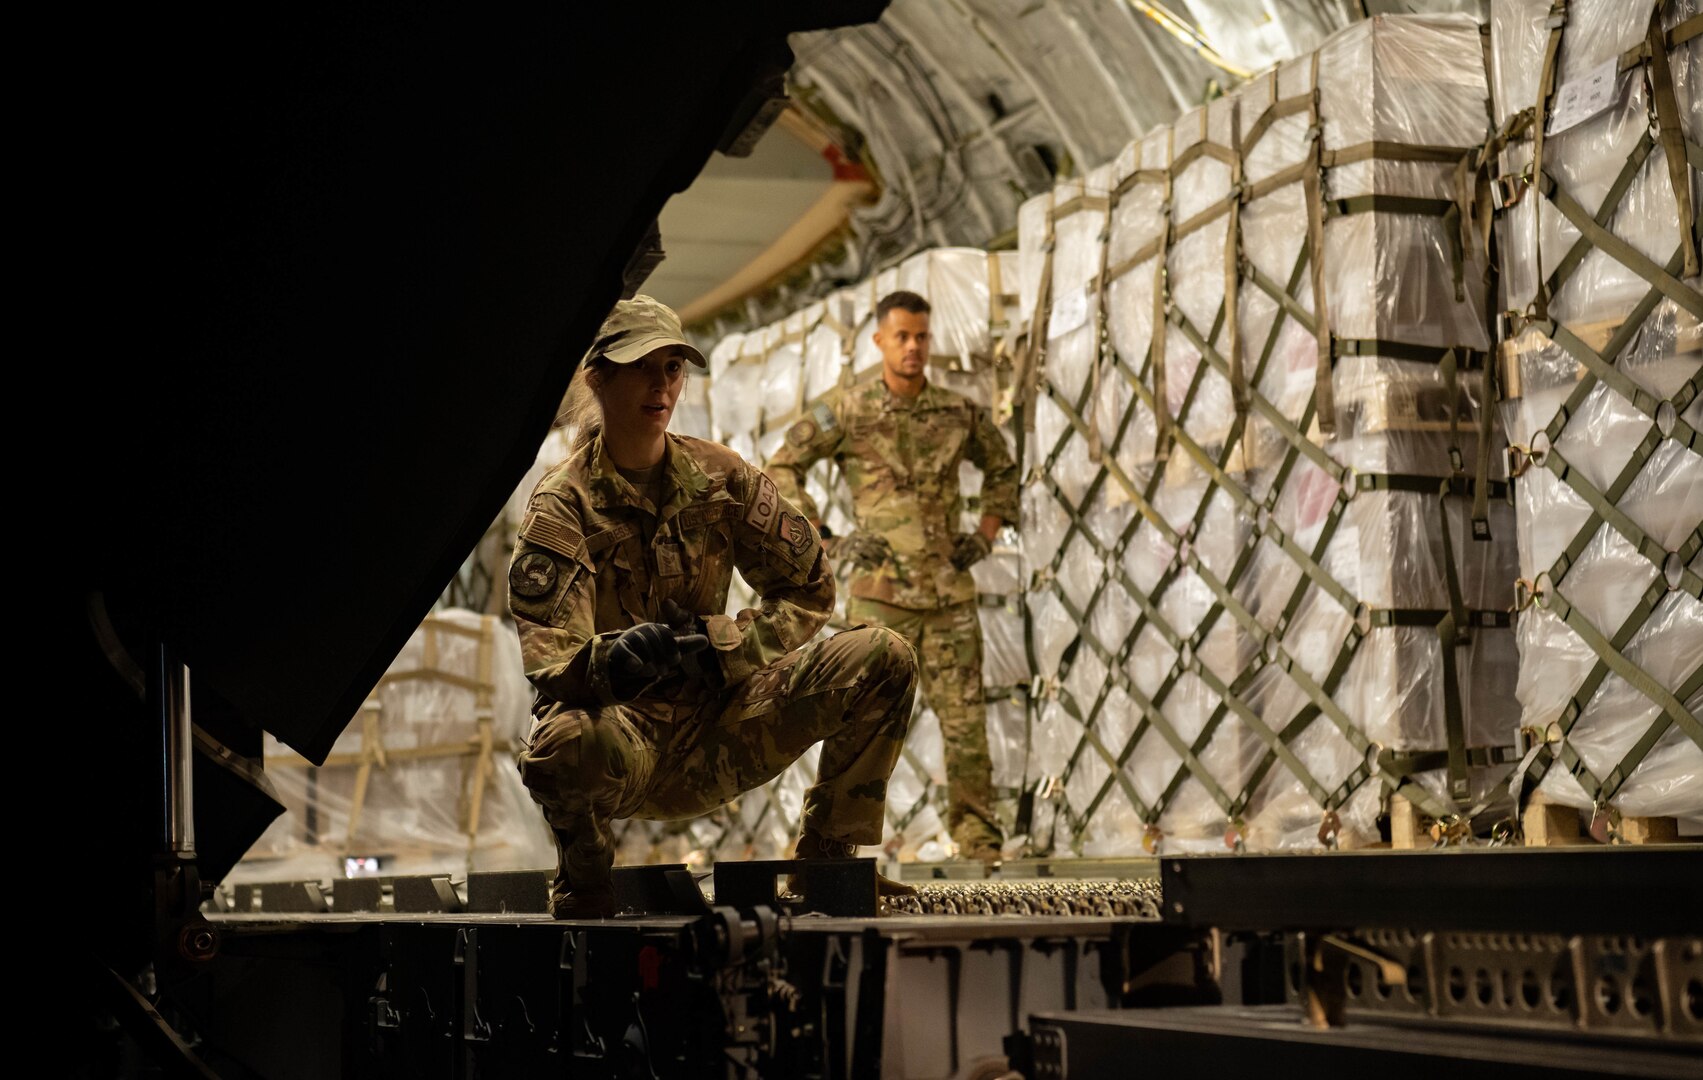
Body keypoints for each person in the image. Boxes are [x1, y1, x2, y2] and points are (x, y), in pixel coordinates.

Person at [509, 294, 919, 917]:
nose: (662, 384)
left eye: (674, 367)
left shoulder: (722, 478)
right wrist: (612, 663)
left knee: (882, 655)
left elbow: (810, 588)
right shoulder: (562, 506)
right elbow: (550, 661)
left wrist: (730, 643)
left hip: (726, 725)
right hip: (627, 746)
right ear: (598, 375)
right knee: (562, 741)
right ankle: (586, 882)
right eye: (644, 365)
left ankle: (828, 862)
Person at [767, 290, 1018, 868]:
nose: (913, 347)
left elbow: (1002, 466)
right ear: (879, 340)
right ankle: (831, 843)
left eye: (921, 337)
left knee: (965, 724)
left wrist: (983, 534)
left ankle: (979, 843)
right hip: (881, 595)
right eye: (902, 336)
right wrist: (826, 535)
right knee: (859, 724)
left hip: (947, 592)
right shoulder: (849, 409)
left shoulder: (957, 412)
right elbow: (782, 466)